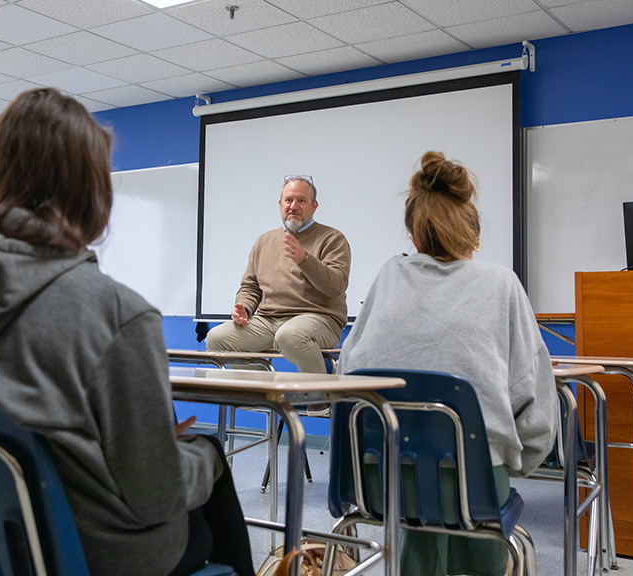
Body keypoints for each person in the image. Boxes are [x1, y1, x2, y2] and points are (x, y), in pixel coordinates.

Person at [0, 87, 253, 576]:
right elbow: (155, 499)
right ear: (91, 190)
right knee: (206, 459)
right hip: (96, 557)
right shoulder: (117, 313)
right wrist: (204, 458)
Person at [337, 151, 559, 576]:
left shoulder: (386, 277)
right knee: (469, 513)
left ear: (413, 233)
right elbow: (536, 403)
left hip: (379, 487)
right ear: (470, 231)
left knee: (420, 511)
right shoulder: (502, 283)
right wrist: (515, 459)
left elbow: (347, 374)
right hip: (470, 485)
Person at [205, 175, 350, 373]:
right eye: (288, 200)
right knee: (216, 338)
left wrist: (305, 260)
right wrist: (244, 308)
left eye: (302, 200)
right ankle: (262, 397)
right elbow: (250, 286)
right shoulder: (264, 241)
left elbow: (336, 285)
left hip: (318, 318)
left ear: (314, 206)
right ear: (280, 204)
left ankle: (319, 400)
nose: (293, 206)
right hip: (269, 320)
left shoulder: (332, 238)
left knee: (289, 336)